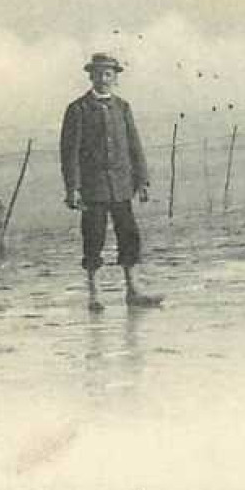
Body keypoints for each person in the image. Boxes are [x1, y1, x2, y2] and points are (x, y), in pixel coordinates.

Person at [60, 53, 160, 310]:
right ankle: (95, 295)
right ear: (91, 77)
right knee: (93, 238)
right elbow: (69, 153)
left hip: (122, 186)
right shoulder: (78, 109)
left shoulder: (123, 107)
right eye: (99, 74)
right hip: (93, 189)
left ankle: (133, 290)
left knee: (129, 235)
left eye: (108, 74)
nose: (103, 79)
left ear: (115, 78)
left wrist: (143, 181)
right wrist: (72, 188)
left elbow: (134, 146)